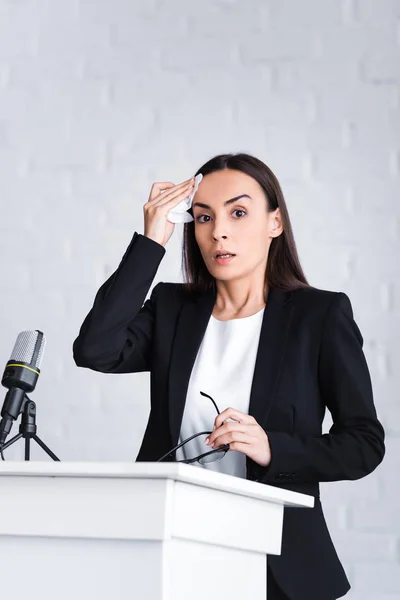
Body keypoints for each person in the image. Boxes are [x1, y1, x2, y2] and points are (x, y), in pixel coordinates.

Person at [73, 152, 385, 600]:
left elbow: (363, 443)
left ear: (274, 222)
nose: (218, 230)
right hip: (169, 551)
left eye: (238, 213)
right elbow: (94, 350)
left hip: (274, 563)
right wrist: (151, 241)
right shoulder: (171, 308)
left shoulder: (320, 316)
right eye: (202, 217)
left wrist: (271, 446)